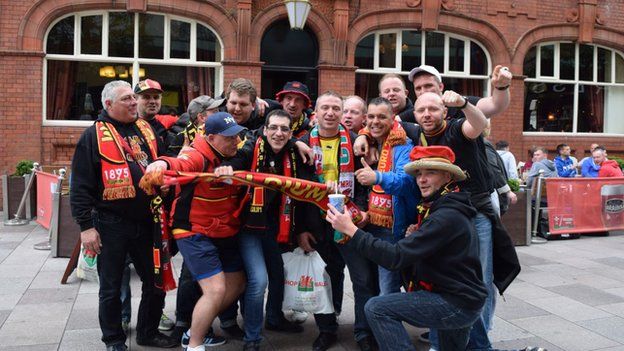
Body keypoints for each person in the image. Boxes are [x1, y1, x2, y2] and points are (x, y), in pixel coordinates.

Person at [325, 145, 487, 351]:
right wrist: (419, 232)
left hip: (455, 303)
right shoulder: (444, 206)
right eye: (419, 173)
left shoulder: (446, 216)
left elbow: (396, 257)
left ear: (448, 177)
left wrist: (351, 230)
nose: (422, 179)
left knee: (377, 308)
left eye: (430, 172)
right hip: (463, 299)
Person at [70, 80, 178, 351]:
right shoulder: (92, 136)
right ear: (108, 105)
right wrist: (86, 227)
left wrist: (162, 179)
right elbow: (80, 186)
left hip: (147, 220)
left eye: (134, 98)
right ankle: (114, 341)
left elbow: (157, 162)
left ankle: (147, 333)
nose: (134, 103)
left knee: (156, 282)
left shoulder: (145, 129)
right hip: (110, 224)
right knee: (111, 289)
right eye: (127, 99)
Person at [142, 112, 247, 351]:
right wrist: (163, 163)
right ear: (210, 137)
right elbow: (180, 163)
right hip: (194, 231)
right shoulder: (197, 153)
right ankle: (195, 345)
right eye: (229, 137)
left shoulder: (231, 154)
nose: (235, 141)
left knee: (237, 283)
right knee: (216, 289)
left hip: (224, 230)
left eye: (237, 136)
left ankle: (194, 330)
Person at [216, 109, 320, 350]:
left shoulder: (293, 152)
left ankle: (274, 319)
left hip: (276, 226)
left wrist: (302, 229)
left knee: (278, 275)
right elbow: (236, 159)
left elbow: (303, 193)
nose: (278, 133)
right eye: (273, 127)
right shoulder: (252, 146)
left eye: (285, 129)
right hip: (248, 227)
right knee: (259, 280)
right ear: (264, 130)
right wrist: (227, 168)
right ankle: (252, 338)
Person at [298, 91, 371, 351]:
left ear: (342, 113)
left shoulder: (356, 141)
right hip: (317, 224)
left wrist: (361, 210)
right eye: (325, 108)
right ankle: (327, 329)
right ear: (314, 113)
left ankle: (363, 332)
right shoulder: (302, 142)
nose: (330, 113)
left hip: (349, 222)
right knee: (325, 279)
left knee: (362, 280)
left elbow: (364, 182)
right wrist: (302, 229)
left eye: (335, 109)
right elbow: (297, 193)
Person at [353, 97, 418, 294]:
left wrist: (377, 176)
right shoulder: (369, 142)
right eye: (371, 116)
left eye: (382, 117)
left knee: (387, 288)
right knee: (371, 283)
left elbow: (406, 182)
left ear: (393, 119)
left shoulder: (403, 144)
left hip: (392, 228)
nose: (375, 121)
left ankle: (389, 322)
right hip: (370, 222)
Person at [135, 79, 178, 151]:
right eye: (146, 97)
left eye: (156, 97)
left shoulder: (164, 129)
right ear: (135, 99)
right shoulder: (126, 126)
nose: (152, 101)